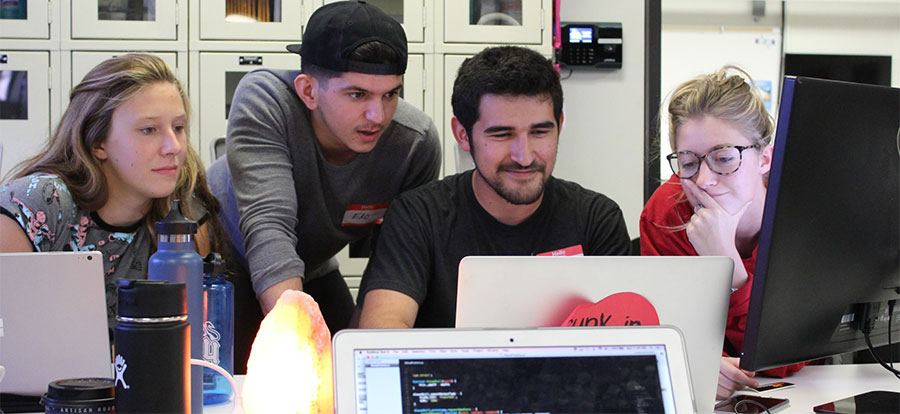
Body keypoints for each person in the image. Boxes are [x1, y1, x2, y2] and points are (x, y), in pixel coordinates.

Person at [207, 0, 441, 334]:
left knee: (343, 359)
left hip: (310, 265)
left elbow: (396, 261)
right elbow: (269, 226)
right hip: (221, 258)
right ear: (308, 90)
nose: (378, 116)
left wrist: (362, 350)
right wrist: (300, 342)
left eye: (390, 95)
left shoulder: (414, 143)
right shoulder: (266, 100)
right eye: (357, 95)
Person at [356, 45, 631, 329]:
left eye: (540, 132)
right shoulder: (418, 216)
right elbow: (381, 332)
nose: (524, 157)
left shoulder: (596, 219)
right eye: (502, 134)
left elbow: (625, 345)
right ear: (463, 135)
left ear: (560, 125)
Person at [0, 53, 228, 332]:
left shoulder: (184, 217)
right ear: (98, 142)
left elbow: (189, 340)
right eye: (149, 129)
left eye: (178, 128)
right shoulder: (35, 204)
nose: (174, 147)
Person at [640, 66, 807, 400]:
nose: (703, 180)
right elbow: (664, 331)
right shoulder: (666, 214)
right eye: (688, 163)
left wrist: (727, 264)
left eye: (724, 158)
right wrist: (697, 361)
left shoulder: (798, 215)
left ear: (765, 159)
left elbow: (784, 358)